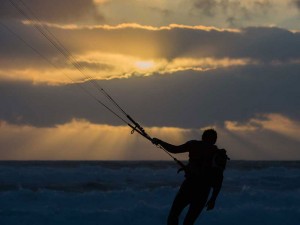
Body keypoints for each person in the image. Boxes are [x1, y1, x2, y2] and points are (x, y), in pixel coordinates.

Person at [152, 129, 228, 225]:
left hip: (189, 186)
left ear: (202, 137)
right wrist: (213, 199)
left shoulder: (193, 145)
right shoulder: (218, 154)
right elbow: (219, 179)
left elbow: (174, 149)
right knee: (189, 222)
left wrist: (159, 141)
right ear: (215, 140)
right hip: (204, 191)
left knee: (173, 216)